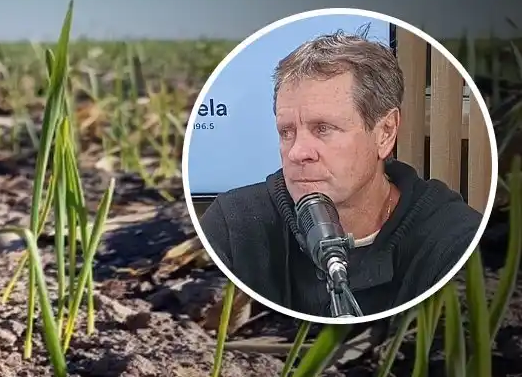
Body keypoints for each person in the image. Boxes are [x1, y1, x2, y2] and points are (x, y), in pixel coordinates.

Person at [198, 30, 484, 319]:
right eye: (287, 132)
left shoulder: (454, 239)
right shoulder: (233, 227)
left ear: (385, 133)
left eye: (323, 129)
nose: (297, 152)